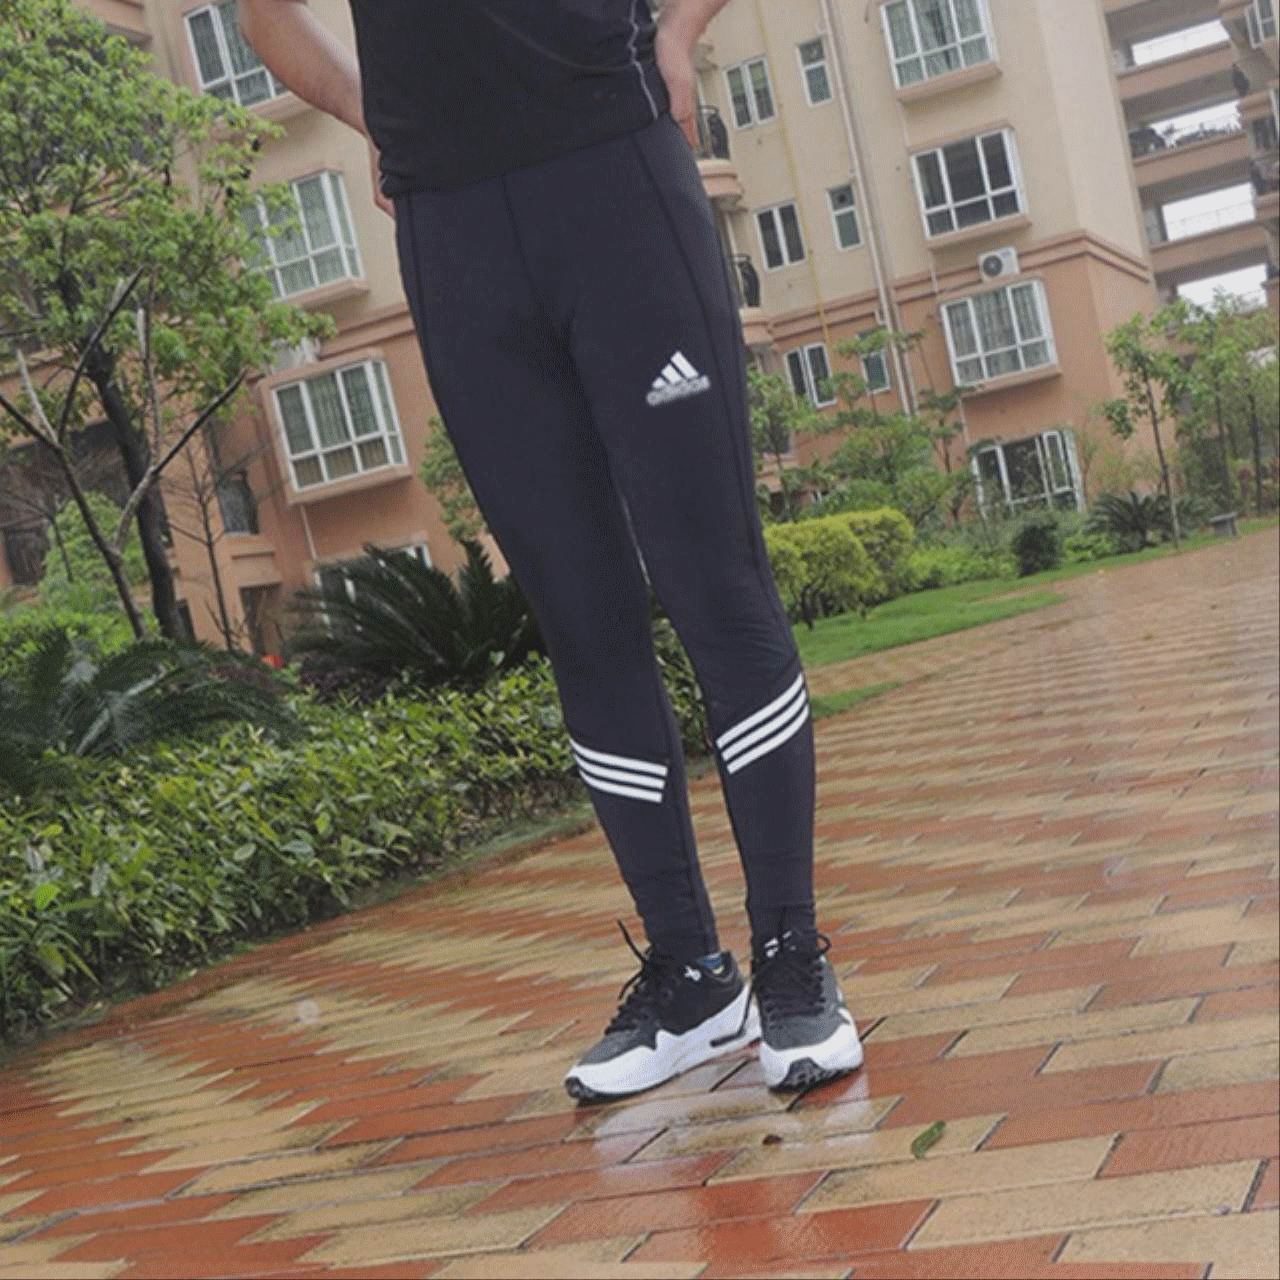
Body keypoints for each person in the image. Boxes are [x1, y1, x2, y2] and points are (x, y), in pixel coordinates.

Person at [238, 0, 863, 1099]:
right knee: (580, 617)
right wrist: (371, 109)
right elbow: (264, 14)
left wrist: (678, 32)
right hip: (451, 232)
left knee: (715, 584)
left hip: (614, 169)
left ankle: (789, 957)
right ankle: (689, 975)